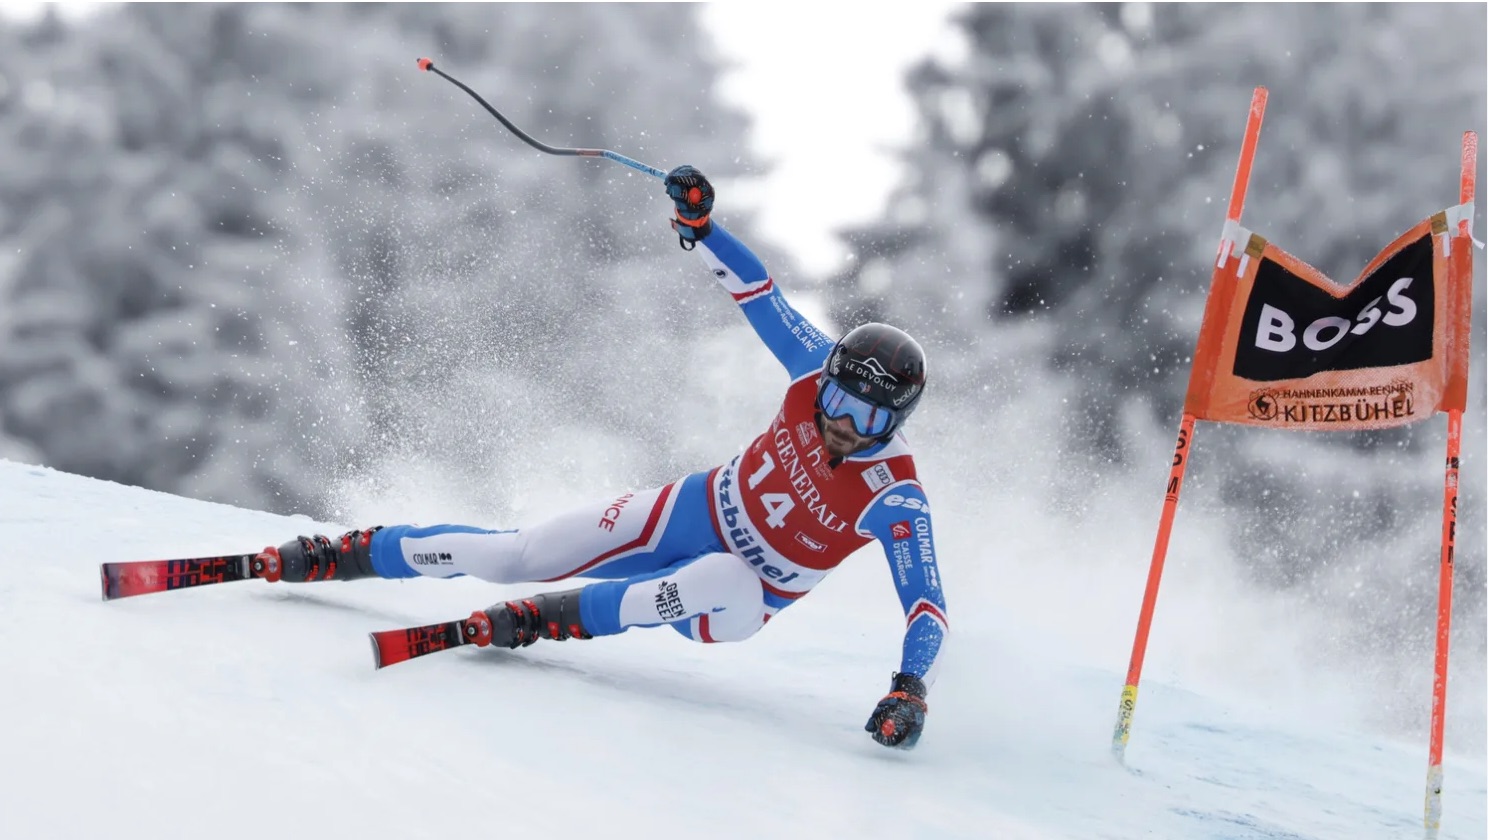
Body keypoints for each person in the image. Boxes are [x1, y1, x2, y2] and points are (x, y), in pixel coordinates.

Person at [255, 166, 950, 749]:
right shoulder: (809, 371)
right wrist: (701, 229)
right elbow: (756, 292)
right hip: (693, 510)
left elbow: (927, 606)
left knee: (721, 576)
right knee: (515, 554)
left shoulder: (895, 494)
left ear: (894, 423)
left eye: (866, 418)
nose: (839, 422)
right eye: (836, 399)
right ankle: (347, 553)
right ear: (826, 375)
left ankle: (548, 616)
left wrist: (908, 687)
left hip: (738, 600)